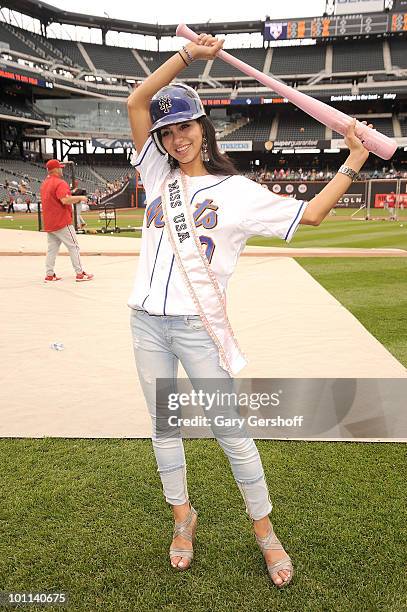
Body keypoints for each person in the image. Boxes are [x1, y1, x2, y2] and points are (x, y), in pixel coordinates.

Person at [127, 33, 372, 588]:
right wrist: (190, 56)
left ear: (202, 127)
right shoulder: (154, 175)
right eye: (167, 131)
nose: (176, 137)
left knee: (232, 434)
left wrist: (354, 159)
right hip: (145, 323)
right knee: (165, 430)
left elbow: (308, 217)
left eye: (185, 125)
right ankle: (182, 519)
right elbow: (137, 102)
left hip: (197, 331)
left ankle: (265, 532)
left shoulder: (237, 191)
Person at [40, 159, 94, 282]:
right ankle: (80, 273)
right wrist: (80, 197)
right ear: (55, 169)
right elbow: (64, 200)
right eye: (60, 167)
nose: (62, 169)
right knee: (74, 246)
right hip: (62, 221)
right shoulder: (60, 182)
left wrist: (72, 195)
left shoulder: (45, 183)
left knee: (52, 249)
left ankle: (49, 274)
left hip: (50, 223)